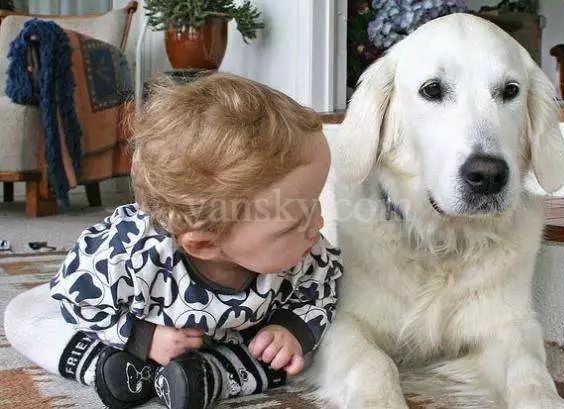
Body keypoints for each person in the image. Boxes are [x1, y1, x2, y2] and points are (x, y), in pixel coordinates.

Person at [4, 73, 343, 409]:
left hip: (234, 342)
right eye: (294, 223)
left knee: (306, 352)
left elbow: (320, 288)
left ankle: (205, 377)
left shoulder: (306, 252)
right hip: (133, 324)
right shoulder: (131, 251)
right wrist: (142, 337)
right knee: (23, 314)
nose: (318, 223)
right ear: (205, 245)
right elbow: (79, 299)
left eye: (314, 203)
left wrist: (290, 330)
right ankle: (107, 367)